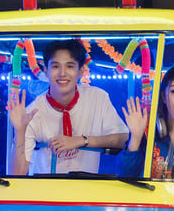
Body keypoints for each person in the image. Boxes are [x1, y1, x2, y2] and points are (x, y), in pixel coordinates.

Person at [7, 39, 128, 175]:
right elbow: (16, 174)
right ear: (46, 71)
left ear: (81, 71)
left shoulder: (98, 98)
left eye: (69, 66)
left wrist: (81, 140)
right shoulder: (32, 113)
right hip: (44, 188)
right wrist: (19, 131)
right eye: (55, 66)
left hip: (85, 188)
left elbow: (122, 139)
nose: (62, 73)